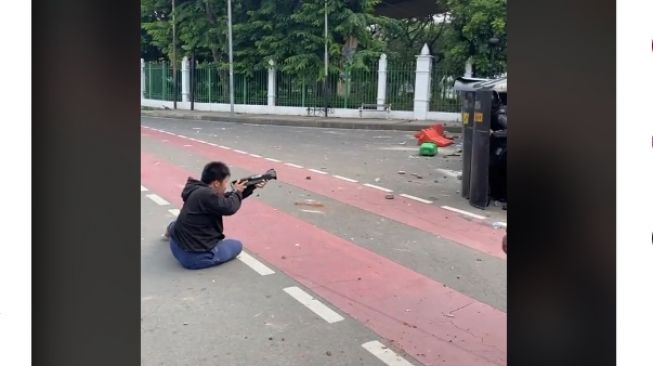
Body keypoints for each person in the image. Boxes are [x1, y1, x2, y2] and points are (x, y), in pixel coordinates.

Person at [164, 161, 267, 270]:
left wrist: (250, 187)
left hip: (175, 245)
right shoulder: (206, 195)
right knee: (237, 245)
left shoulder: (195, 188)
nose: (225, 186)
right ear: (216, 183)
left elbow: (223, 200)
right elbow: (228, 207)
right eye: (225, 182)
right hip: (193, 257)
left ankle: (169, 230)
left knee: (179, 222)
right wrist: (238, 192)